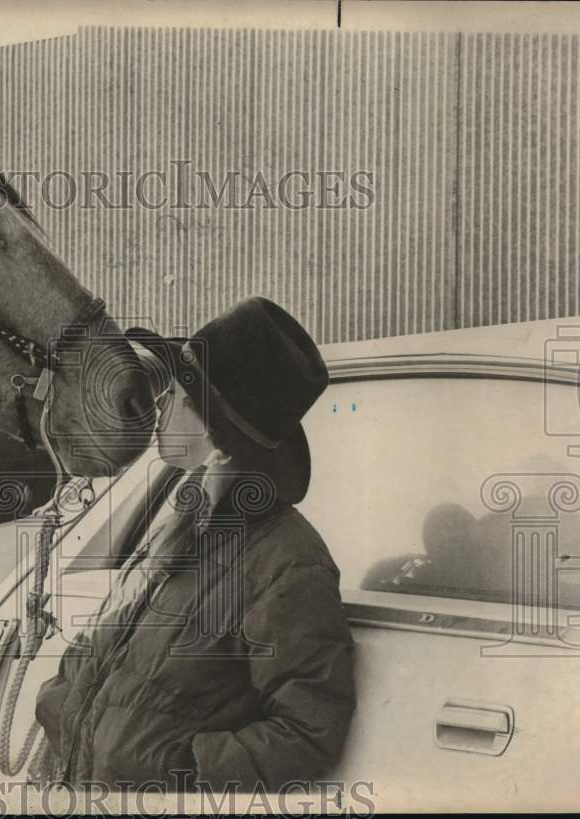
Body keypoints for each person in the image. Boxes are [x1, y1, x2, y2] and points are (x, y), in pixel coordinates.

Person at [34, 297, 356, 792]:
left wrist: (176, 770)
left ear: (219, 436)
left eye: (182, 398)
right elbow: (98, 648)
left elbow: (307, 731)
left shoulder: (289, 564)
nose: (162, 405)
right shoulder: (178, 521)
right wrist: (61, 714)